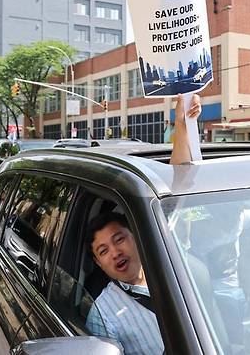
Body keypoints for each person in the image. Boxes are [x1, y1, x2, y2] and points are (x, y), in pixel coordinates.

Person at [85, 94, 201, 354]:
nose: (115, 252)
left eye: (119, 239)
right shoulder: (103, 313)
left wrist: (182, 126)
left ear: (136, 236)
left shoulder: (172, 260)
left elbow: (177, 190)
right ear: (98, 263)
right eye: (103, 251)